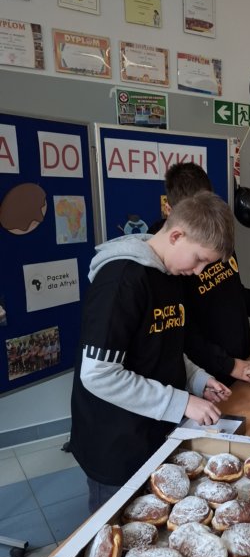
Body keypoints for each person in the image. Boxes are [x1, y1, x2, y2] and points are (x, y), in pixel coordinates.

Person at [69, 192, 234, 514]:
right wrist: (182, 402)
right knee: (117, 528)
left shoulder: (170, 274)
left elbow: (163, 345)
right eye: (199, 259)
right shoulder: (121, 280)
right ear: (176, 236)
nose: (199, 271)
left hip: (155, 434)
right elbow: (98, 374)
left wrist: (198, 380)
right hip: (115, 445)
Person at [149, 161, 250, 385]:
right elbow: (184, 332)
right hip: (207, 375)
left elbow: (232, 291)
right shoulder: (169, 263)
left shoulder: (215, 236)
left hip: (236, 363)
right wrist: (226, 364)